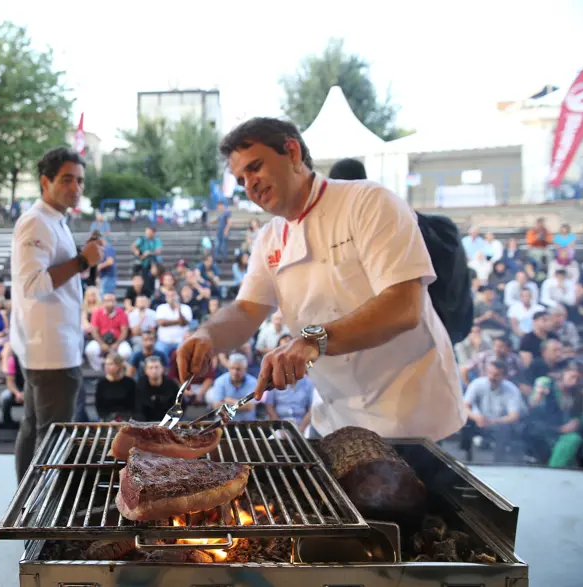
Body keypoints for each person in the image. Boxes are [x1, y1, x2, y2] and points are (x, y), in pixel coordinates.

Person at [177, 119, 465, 440]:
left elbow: (403, 306)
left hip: (409, 410)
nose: (250, 185)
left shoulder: (368, 202)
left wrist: (313, 341)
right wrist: (206, 335)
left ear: (292, 152)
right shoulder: (270, 238)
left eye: (255, 167)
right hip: (335, 413)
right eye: (241, 180)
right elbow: (246, 310)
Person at [10, 147, 103, 482]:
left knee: (35, 427)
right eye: (66, 180)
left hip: (50, 346)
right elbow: (33, 284)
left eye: (80, 180)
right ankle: (39, 503)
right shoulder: (37, 221)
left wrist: (82, 258)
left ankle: (25, 499)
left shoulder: (53, 219)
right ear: (45, 182)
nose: (76, 188)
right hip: (50, 351)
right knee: (52, 437)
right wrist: (82, 261)